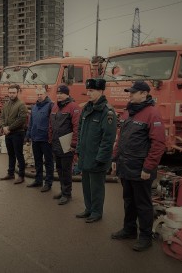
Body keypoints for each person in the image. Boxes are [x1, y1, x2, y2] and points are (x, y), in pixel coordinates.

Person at [110, 81, 166, 252]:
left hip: (141, 169)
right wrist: (115, 158)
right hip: (125, 166)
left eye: (133, 92)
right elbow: (121, 138)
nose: (130, 95)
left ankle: (145, 236)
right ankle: (129, 230)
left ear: (144, 94)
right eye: (130, 92)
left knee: (143, 204)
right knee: (128, 201)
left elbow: (158, 144)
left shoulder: (152, 114)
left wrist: (148, 168)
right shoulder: (128, 112)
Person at [75, 78, 117, 223]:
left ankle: (97, 212)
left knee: (97, 188)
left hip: (97, 158)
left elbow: (108, 138)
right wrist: (79, 150)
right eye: (88, 90)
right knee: (86, 185)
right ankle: (89, 208)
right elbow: (80, 130)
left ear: (100, 91)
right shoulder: (87, 108)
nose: (88, 93)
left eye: (91, 91)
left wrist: (101, 158)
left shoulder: (108, 112)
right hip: (86, 155)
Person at [49, 84, 81, 205]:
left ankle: (67, 194)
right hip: (56, 143)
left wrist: (73, 143)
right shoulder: (55, 107)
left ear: (67, 94)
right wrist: (50, 138)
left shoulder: (73, 107)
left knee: (66, 170)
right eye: (58, 93)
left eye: (62, 93)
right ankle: (63, 191)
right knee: (59, 169)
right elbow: (51, 124)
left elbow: (77, 127)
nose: (59, 95)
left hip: (67, 144)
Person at [25, 87, 54, 192]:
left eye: (41, 94)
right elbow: (31, 122)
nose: (39, 96)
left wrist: (51, 136)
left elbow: (52, 123)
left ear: (45, 94)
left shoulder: (50, 106)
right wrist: (28, 135)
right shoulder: (34, 107)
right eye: (37, 94)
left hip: (46, 139)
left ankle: (48, 183)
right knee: (37, 161)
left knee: (48, 162)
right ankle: (38, 180)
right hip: (35, 138)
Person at [0, 84, 28, 184]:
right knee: (11, 154)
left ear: (17, 92)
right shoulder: (6, 104)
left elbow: (22, 119)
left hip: (17, 133)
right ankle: (11, 173)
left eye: (13, 93)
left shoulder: (21, 105)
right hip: (8, 134)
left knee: (19, 154)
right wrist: (3, 127)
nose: (11, 94)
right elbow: (2, 117)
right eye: (10, 92)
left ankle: (21, 176)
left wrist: (9, 128)